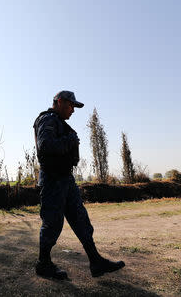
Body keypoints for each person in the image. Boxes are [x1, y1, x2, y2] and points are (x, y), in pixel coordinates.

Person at [33, 90, 125, 280]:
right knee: (52, 223)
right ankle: (43, 264)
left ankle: (96, 261)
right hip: (52, 180)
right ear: (59, 102)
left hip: (66, 179)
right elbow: (45, 146)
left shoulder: (58, 122)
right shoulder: (48, 119)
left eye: (74, 106)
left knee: (80, 219)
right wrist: (70, 140)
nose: (73, 110)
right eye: (70, 105)